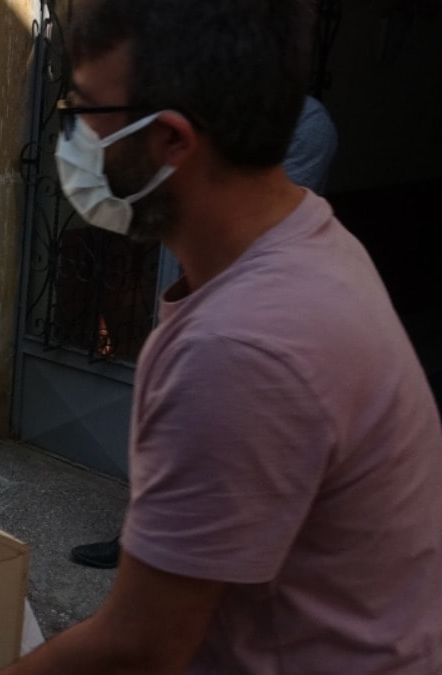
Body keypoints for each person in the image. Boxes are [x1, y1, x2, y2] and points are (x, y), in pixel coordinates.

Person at [0, 0, 442, 672]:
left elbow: (138, 648)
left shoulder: (239, 346)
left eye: (86, 110)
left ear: (171, 140)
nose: (74, 137)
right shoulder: (304, 233)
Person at [68, 91, 341, 570]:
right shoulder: (201, 106)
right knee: (167, 416)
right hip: (193, 283)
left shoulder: (305, 121)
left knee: (226, 434)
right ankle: (142, 538)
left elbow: (260, 221)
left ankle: (200, 555)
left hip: (247, 304)